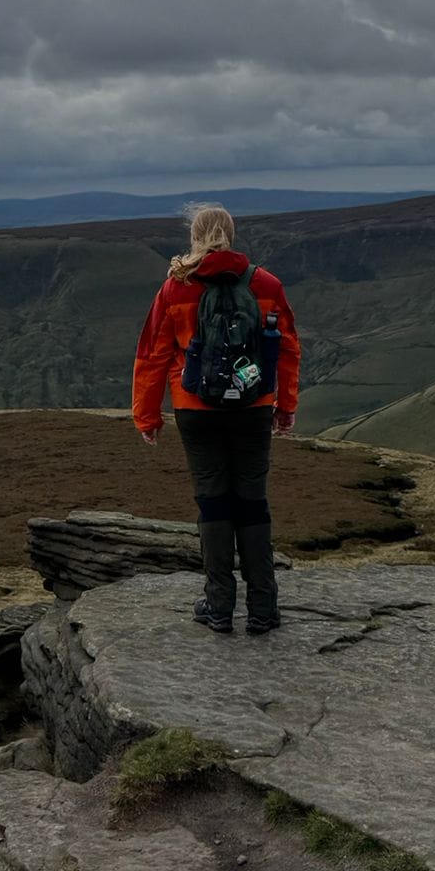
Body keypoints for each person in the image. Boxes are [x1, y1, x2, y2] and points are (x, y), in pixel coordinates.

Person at [132, 203, 301, 634]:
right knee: (253, 502)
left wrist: (147, 416)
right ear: (231, 233)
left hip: (196, 410)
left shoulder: (175, 288)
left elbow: (153, 354)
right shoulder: (266, 284)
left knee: (213, 502)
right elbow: (286, 348)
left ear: (195, 236)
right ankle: (264, 609)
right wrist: (286, 406)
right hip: (254, 408)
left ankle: (219, 606)